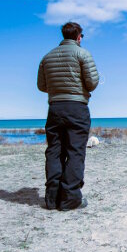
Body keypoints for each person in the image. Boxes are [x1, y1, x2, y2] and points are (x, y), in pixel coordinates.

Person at [37, 21, 100, 210]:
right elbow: (92, 83)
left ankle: (52, 198)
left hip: (55, 107)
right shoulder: (83, 54)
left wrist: (58, 90)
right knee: (75, 152)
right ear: (78, 36)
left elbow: (41, 86)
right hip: (77, 108)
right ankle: (70, 199)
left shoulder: (47, 57)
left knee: (54, 151)